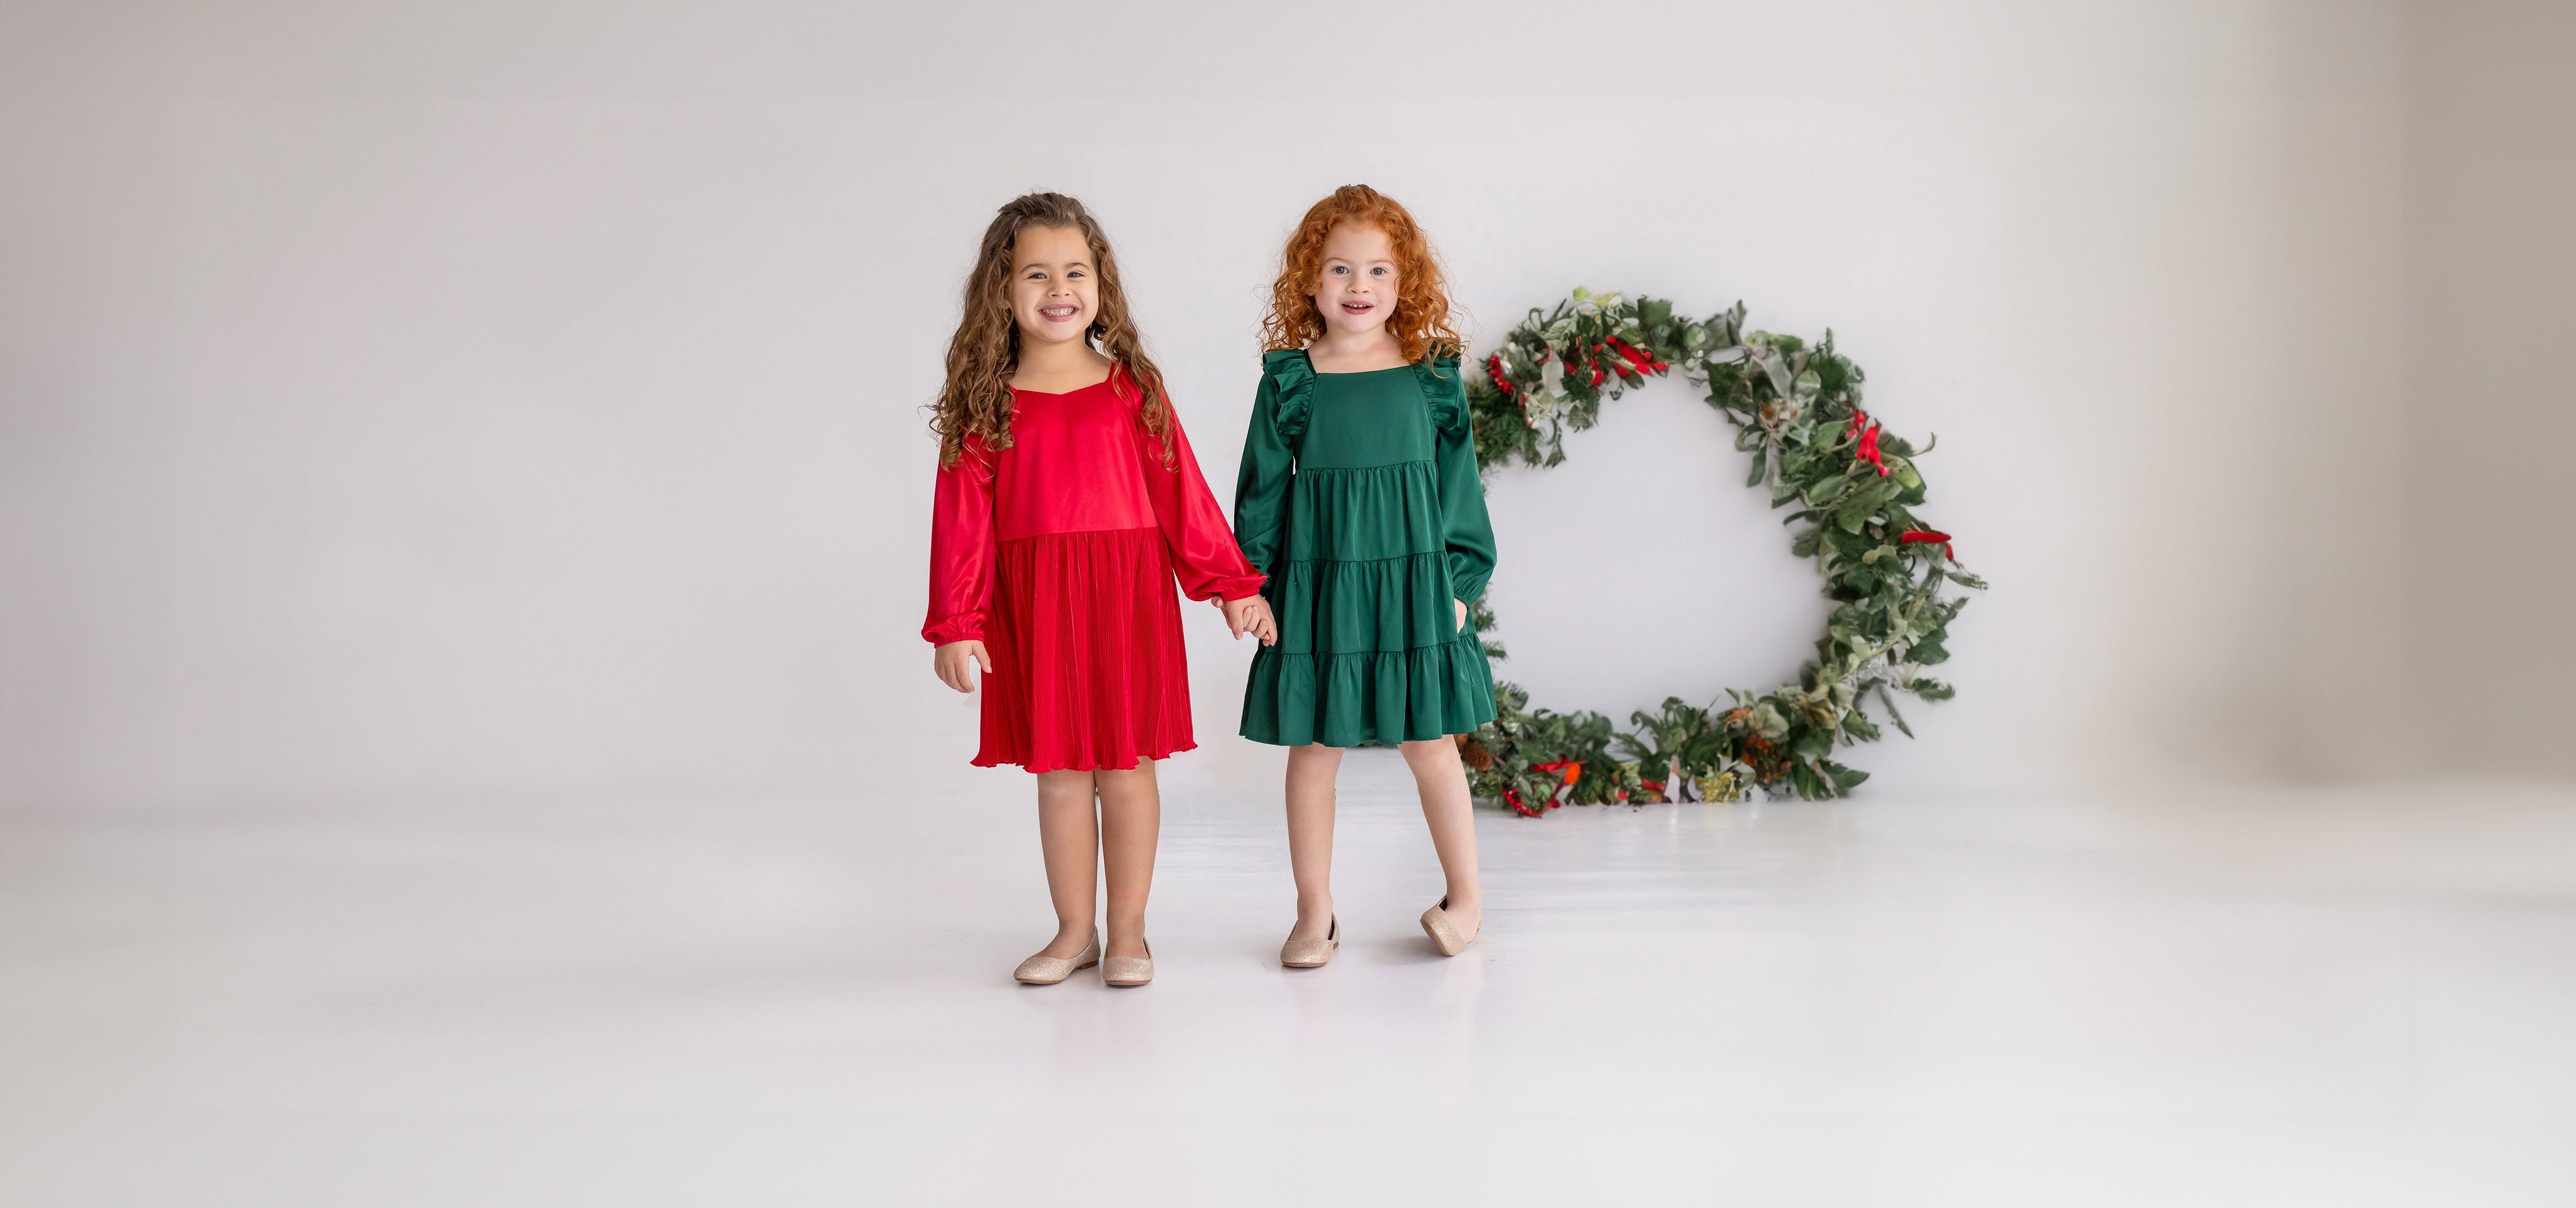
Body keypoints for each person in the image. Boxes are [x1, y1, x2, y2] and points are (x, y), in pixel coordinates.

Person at [924, 193, 1274, 987]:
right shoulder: (986, 404)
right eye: (1036, 274)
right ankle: (1073, 930)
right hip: (1037, 599)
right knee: (1059, 775)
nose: (1059, 289)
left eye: (1074, 271)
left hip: (1125, 596)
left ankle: (1128, 933)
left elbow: (1181, 491)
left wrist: (1229, 585)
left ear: (1100, 283)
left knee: (1125, 768)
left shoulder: (1130, 387)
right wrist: (957, 621)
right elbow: (961, 521)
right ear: (1002, 292)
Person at [1232, 185, 1498, 966]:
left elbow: (1461, 489)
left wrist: (1457, 584)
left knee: (1431, 742)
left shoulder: (1430, 376)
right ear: (1309, 280)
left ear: (1404, 282)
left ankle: (1468, 898)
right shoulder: (1292, 379)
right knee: (1313, 749)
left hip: (1417, 587)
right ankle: (1314, 911)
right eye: (1340, 267)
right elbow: (1262, 488)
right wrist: (1250, 582)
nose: (1358, 286)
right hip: (1321, 586)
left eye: (1379, 270)